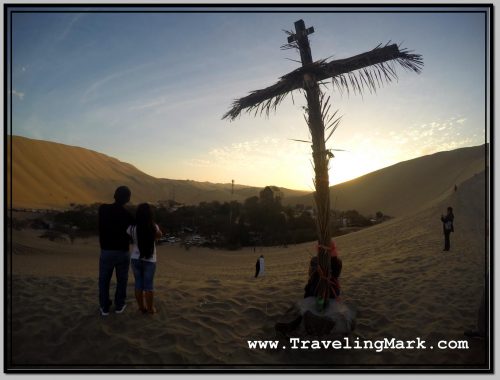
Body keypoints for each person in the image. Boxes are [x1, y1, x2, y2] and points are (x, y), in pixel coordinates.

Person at [98, 186, 134, 316]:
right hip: (122, 252)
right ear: (128, 199)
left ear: (114, 196)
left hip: (106, 251)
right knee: (122, 280)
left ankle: (104, 307)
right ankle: (119, 305)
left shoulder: (103, 209)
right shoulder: (128, 215)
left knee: (104, 280)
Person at [127, 203, 162, 314]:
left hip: (135, 258)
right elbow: (159, 235)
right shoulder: (153, 226)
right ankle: (151, 309)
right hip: (150, 260)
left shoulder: (131, 227)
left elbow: (128, 235)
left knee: (138, 284)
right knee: (148, 285)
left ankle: (141, 308)